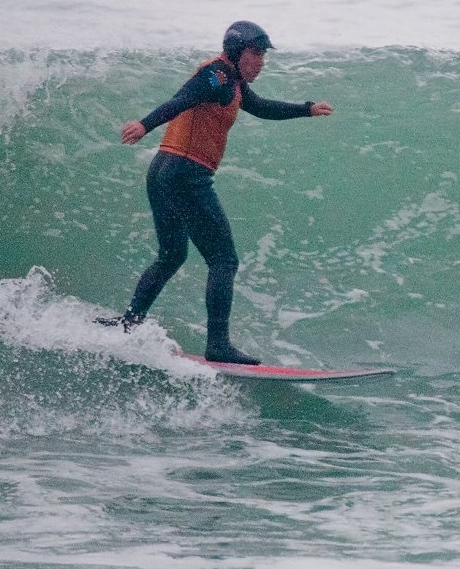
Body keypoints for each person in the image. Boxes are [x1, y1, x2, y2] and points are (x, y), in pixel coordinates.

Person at [99, 21, 332, 365]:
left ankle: (130, 323)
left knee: (172, 255)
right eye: (255, 53)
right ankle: (218, 345)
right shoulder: (217, 76)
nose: (261, 61)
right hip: (186, 173)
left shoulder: (232, 83)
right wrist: (145, 124)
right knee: (224, 260)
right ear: (237, 52)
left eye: (263, 55)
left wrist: (306, 108)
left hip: (163, 171)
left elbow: (262, 107)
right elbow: (182, 99)